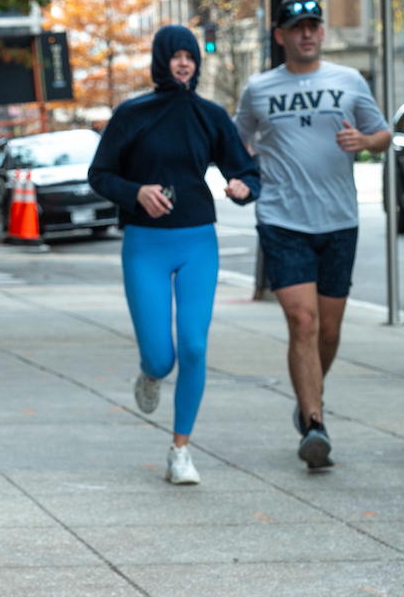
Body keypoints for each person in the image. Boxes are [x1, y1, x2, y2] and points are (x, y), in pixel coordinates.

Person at [89, 25, 260, 485]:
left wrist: (244, 186)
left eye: (190, 56)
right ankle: (148, 375)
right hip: (145, 245)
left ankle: (180, 450)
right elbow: (100, 175)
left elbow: (246, 169)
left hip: (197, 240)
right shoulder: (132, 114)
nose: (184, 62)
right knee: (161, 359)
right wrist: (136, 192)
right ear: (161, 61)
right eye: (175, 55)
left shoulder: (210, 114)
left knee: (195, 347)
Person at [233, 0, 391, 468]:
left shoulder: (349, 81)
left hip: (339, 219)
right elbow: (238, 139)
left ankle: (307, 398)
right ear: (279, 35)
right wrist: (244, 176)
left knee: (329, 331)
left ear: (322, 33)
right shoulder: (259, 89)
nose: (307, 34)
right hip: (283, 220)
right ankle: (315, 422)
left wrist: (364, 142)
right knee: (303, 322)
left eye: (313, 27)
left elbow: (383, 133)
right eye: (297, 27)